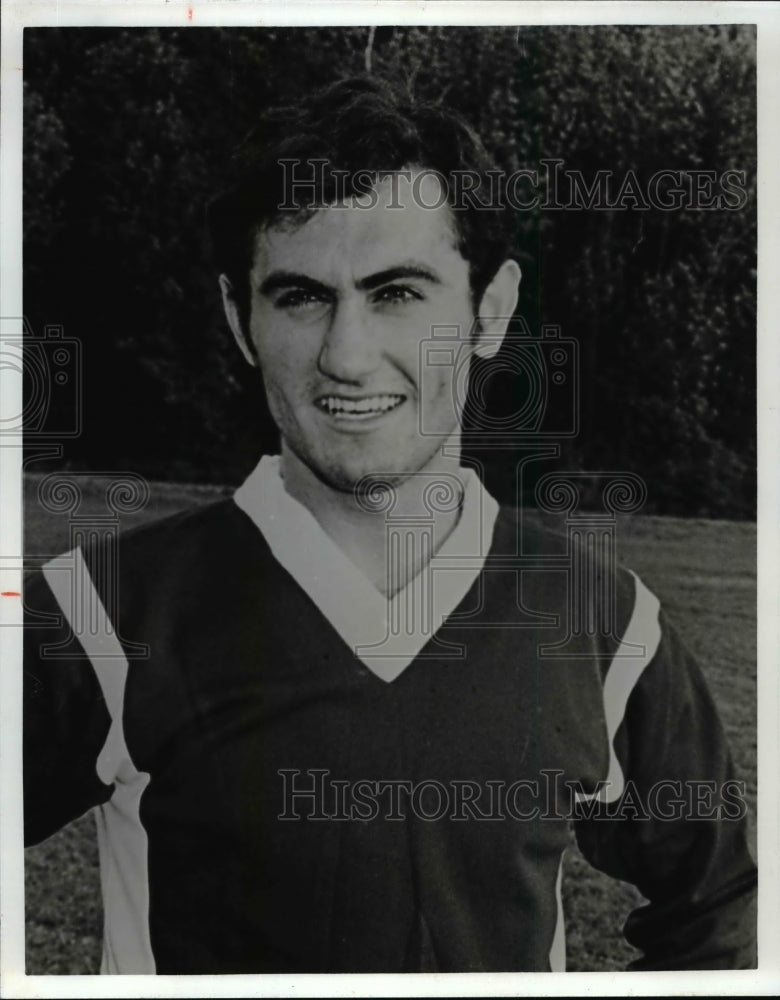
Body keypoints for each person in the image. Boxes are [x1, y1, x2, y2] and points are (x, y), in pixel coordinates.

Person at [23, 75, 756, 974]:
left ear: (489, 309)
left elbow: (722, 911)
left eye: (399, 292)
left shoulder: (604, 625)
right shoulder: (103, 615)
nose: (347, 353)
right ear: (238, 318)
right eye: (300, 296)